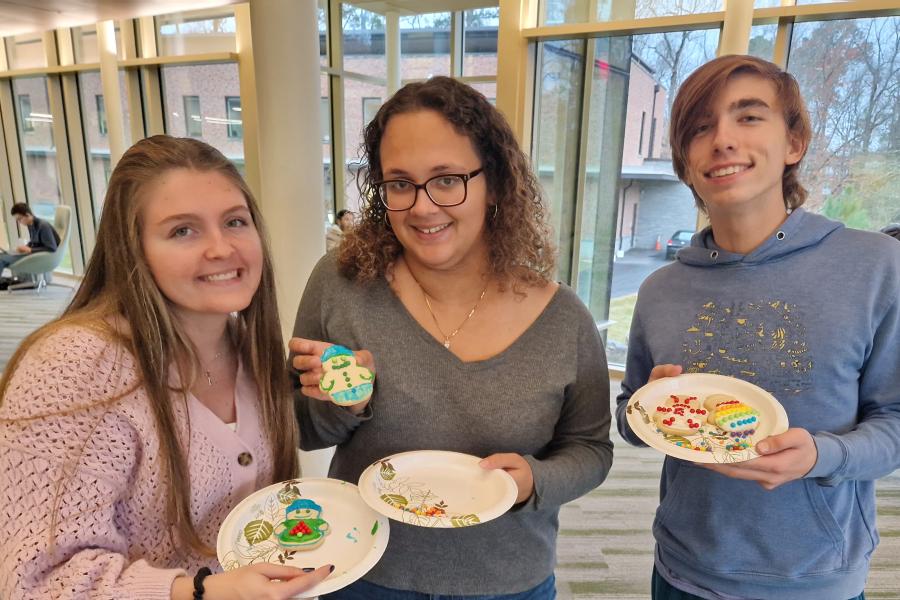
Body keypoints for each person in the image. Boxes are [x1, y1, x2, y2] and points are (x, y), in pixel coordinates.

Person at [291, 77, 613, 599]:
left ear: (495, 183)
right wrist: (342, 404)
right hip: (362, 571)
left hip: (507, 582)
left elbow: (590, 449)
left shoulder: (563, 319)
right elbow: (301, 429)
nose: (421, 207)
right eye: (400, 182)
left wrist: (534, 481)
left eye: (446, 180)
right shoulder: (341, 283)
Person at [615, 55, 900, 600]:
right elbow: (630, 421)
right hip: (681, 570)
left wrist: (822, 456)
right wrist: (646, 411)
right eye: (700, 128)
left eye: (748, 117)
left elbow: (895, 420)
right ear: (684, 160)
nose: (721, 139)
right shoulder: (661, 291)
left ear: (794, 144)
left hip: (815, 579)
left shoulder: (876, 267)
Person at [0, 136, 333, 599]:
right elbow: (33, 581)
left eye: (235, 222)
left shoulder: (245, 347)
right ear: (133, 250)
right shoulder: (73, 367)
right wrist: (199, 592)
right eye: (183, 230)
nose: (221, 248)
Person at [0, 202, 61, 275]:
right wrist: (26, 246)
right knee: (2, 255)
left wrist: (30, 249)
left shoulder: (43, 226)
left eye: (19, 219)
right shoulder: (30, 224)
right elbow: (34, 241)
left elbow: (52, 248)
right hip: (33, 253)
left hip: (40, 256)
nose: (19, 222)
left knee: (1, 259)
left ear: (28, 215)